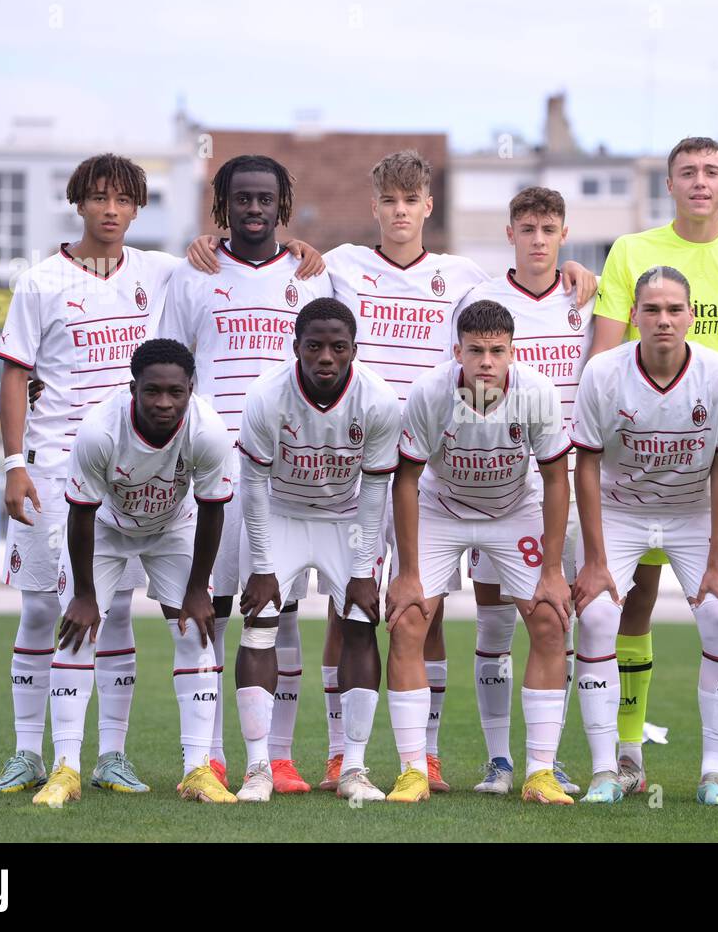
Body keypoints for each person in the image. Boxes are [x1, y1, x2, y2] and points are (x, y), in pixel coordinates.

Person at [588, 136, 718, 797]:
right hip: (641, 465)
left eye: (711, 172)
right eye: (687, 173)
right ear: (669, 184)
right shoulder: (632, 251)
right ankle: (627, 752)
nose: (700, 182)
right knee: (631, 603)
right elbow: (605, 352)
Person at [0, 154, 177, 795]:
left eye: (123, 200)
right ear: (79, 204)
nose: (111, 210)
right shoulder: (40, 282)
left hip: (128, 471)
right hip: (53, 465)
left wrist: (298, 250)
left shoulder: (160, 273)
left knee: (116, 610)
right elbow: (15, 374)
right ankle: (26, 754)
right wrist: (15, 465)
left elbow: (227, 264)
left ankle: (110, 757)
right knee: (44, 611)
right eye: (99, 198)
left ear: (138, 207)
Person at [158, 154, 334, 794]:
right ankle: (206, 759)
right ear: (222, 204)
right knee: (209, 607)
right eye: (242, 199)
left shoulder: (314, 276)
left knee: (280, 613)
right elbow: (173, 371)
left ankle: (277, 758)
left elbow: (329, 365)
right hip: (212, 466)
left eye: (265, 198)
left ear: (282, 204)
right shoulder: (192, 275)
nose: (254, 209)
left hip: (287, 468)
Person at [570, 266, 718, 806]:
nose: (664, 320)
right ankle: (608, 769)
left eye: (674, 310)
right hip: (620, 512)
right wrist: (596, 561)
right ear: (633, 317)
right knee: (598, 615)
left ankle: (714, 773)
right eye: (652, 310)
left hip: (693, 515)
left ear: (692, 316)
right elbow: (585, 465)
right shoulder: (603, 372)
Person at [386, 300, 574, 803]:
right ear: (458, 352)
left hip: (513, 509)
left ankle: (540, 772)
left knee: (551, 619)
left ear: (513, 352)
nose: (486, 362)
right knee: (407, 618)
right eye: (475, 351)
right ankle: (412, 771)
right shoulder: (429, 392)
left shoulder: (537, 393)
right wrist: (406, 573)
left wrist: (553, 570)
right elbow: (405, 480)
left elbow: (556, 479)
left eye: (496, 351)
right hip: (441, 509)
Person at [35, 338, 234, 806]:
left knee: (196, 632)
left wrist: (196, 590)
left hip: (174, 527)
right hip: (105, 528)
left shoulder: (208, 432)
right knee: (77, 632)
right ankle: (66, 770)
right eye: (152, 392)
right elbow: (80, 513)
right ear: (133, 389)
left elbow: (211, 511)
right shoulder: (100, 431)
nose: (164, 403)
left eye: (175, 392)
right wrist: (84, 596)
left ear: (191, 390)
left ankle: (197, 771)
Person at [451, 186, 592, 796]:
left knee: (554, 619)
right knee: (492, 625)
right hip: (495, 478)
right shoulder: (479, 300)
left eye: (549, 229)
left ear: (564, 234)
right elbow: (458, 384)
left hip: (561, 477)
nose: (539, 240)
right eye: (528, 228)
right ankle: (498, 760)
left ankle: (547, 759)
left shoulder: (588, 297)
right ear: (510, 233)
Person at [234, 298, 399, 802]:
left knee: (358, 623)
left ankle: (354, 768)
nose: (326, 357)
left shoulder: (377, 400)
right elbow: (253, 487)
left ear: (354, 350)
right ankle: (258, 768)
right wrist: (263, 568)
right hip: (279, 515)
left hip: (345, 518)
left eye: (337, 347)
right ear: (296, 347)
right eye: (315, 346)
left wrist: (363, 569)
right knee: (260, 625)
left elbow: (375, 493)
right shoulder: (266, 396)